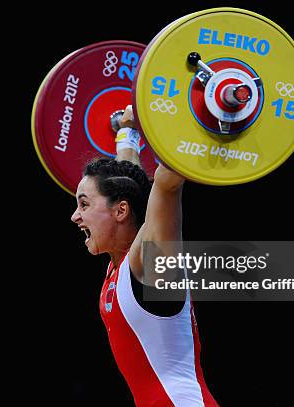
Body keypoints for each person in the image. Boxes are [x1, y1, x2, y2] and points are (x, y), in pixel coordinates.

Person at [70, 106, 219, 406]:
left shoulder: (149, 263)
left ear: (120, 211)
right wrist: (128, 131)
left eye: (84, 205)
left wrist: (204, 112)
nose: (75, 216)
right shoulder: (120, 263)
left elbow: (166, 184)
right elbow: (132, 183)